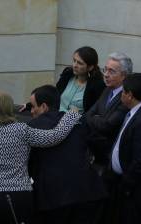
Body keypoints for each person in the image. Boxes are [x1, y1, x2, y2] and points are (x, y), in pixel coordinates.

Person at [0, 91, 81, 224]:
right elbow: (53, 137)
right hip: (19, 196)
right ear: (8, 109)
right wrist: (72, 115)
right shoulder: (21, 130)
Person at [28, 85, 107, 224]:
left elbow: (29, 164)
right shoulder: (78, 121)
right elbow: (100, 146)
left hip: (54, 200)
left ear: (44, 107)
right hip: (89, 193)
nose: (31, 111)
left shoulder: (32, 126)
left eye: (33, 107)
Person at [107, 73, 141, 224]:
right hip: (120, 184)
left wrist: (125, 185)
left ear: (130, 95)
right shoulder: (134, 111)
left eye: (123, 92)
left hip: (133, 193)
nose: (121, 95)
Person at [85, 52, 132, 174]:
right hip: (94, 148)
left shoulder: (126, 97)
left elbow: (107, 126)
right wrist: (99, 118)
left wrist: (97, 118)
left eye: (111, 71)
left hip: (108, 157)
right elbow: (88, 114)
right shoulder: (107, 89)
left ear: (124, 76)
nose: (106, 75)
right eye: (105, 69)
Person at [57, 46, 105, 113]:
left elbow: (91, 113)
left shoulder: (97, 86)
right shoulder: (67, 74)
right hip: (55, 116)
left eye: (80, 63)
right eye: (74, 61)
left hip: (74, 121)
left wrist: (70, 118)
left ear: (90, 67)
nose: (75, 65)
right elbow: (55, 96)